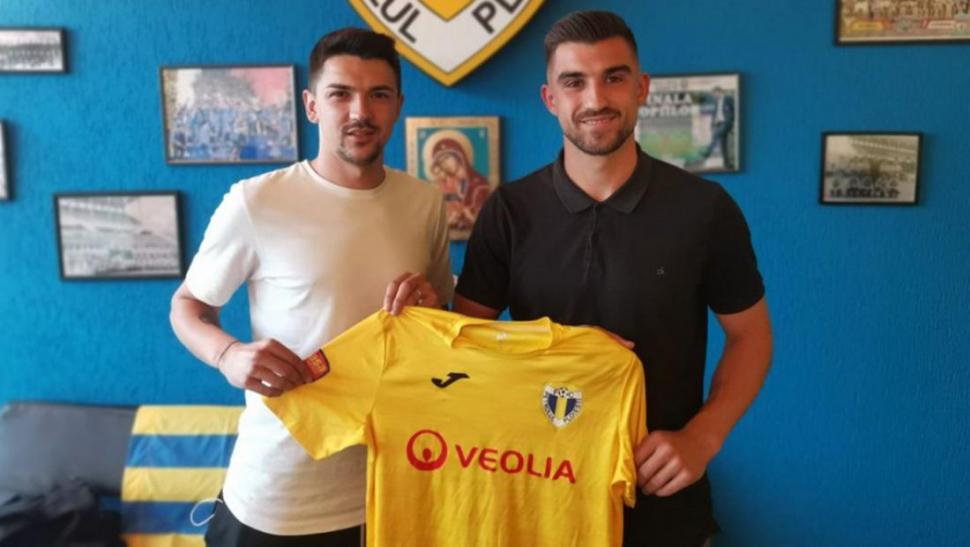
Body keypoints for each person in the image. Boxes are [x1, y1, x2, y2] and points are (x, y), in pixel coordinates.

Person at [452, 11, 772, 547]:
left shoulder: (704, 210)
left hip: (662, 501)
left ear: (641, 88)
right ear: (550, 98)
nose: (595, 99)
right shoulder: (508, 211)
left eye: (614, 77)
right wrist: (559, 346)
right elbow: (466, 345)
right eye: (574, 82)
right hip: (534, 492)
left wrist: (703, 438)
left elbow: (751, 336)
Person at [169, 28, 453, 547]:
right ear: (312, 105)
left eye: (378, 95)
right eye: (341, 94)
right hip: (278, 498)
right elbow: (187, 305)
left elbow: (443, 322)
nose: (360, 111)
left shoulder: (425, 202)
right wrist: (228, 355)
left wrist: (434, 307)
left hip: (393, 486)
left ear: (398, 105)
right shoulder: (256, 201)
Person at [699, 86, 735, 169]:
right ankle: (727, 164)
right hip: (719, 123)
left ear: (719, 92)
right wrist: (712, 124)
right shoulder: (717, 101)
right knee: (723, 144)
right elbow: (715, 114)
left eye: (715, 93)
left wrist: (733, 122)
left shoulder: (728, 99)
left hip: (727, 123)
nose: (714, 95)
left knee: (716, 135)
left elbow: (735, 110)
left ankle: (707, 153)